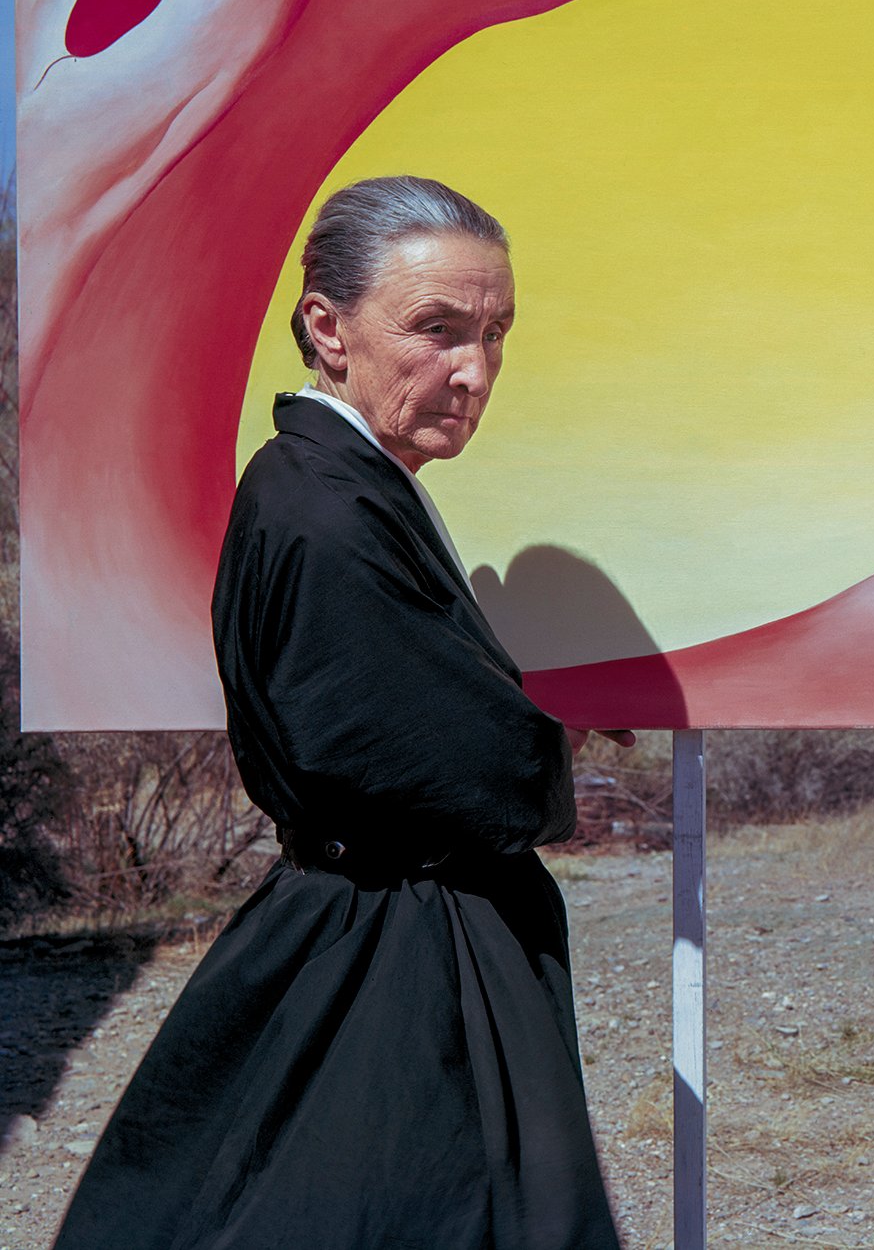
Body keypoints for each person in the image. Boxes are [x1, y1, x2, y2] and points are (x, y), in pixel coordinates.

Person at [56, 175, 630, 1250]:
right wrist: (552, 731)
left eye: (495, 333)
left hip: (385, 926)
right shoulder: (321, 508)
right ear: (327, 325)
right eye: (437, 329)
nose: (474, 370)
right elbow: (435, 761)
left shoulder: (344, 485)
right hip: (390, 947)